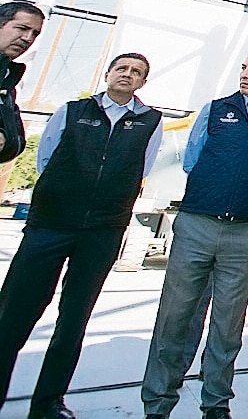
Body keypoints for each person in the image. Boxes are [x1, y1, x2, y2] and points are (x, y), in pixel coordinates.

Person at [0, 53, 163, 419]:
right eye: (121, 68)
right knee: (13, 314)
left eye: (136, 72)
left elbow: (142, 169)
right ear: (108, 74)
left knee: (74, 318)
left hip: (103, 230)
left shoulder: (150, 122)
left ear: (142, 83)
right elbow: (47, 159)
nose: (128, 75)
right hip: (51, 224)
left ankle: (48, 403)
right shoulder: (73, 111)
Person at [141, 46, 248, 419]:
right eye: (244, 67)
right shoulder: (216, 110)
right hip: (198, 223)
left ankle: (215, 402)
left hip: (247, 232)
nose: (245, 74)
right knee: (175, 315)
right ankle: (158, 401)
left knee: (229, 322)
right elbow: (193, 159)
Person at [0, 1, 44, 164]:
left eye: (35, 34)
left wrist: (4, 137)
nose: (28, 38)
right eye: (22, 28)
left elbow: (17, 142)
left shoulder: (8, 80)